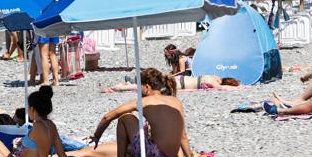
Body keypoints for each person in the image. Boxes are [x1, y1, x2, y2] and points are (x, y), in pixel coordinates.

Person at [72, 68, 196, 157]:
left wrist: (96, 135)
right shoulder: (176, 101)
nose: (138, 90)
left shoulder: (145, 101)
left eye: (139, 87)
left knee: (125, 117)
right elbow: (183, 135)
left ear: (147, 87)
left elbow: (108, 116)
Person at [103, 74, 241, 92]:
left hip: (179, 79)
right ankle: (119, 88)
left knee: (150, 84)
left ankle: (124, 86)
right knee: (148, 86)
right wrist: (239, 88)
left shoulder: (209, 76)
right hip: (179, 84)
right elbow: (221, 88)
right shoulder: (212, 81)